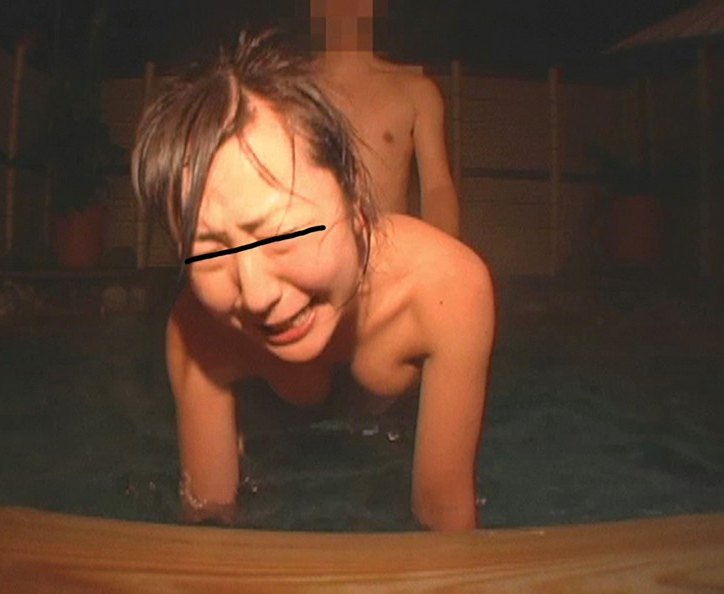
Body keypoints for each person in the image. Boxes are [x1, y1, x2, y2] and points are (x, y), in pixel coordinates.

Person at [131, 31, 493, 532]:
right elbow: (210, 522)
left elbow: (444, 517)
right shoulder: (198, 331)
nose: (257, 294)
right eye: (211, 251)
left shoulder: (447, 290)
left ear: (356, 198)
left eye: (282, 233)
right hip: (277, 444)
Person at [311, 0, 460, 237]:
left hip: (388, 251)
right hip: (314, 251)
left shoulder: (416, 92)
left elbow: (437, 189)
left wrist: (439, 253)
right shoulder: (292, 90)